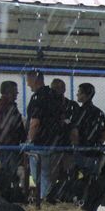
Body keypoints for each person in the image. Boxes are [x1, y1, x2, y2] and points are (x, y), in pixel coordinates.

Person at [26, 70, 67, 199]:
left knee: (41, 177)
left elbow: (35, 123)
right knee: (50, 177)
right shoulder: (55, 96)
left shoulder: (38, 97)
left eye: (28, 80)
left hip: (40, 145)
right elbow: (62, 119)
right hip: (55, 145)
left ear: (35, 80)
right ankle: (50, 199)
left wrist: (29, 141)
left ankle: (44, 202)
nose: (27, 84)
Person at [0, 81, 26, 187]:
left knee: (9, 172)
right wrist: (22, 137)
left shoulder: (2, 106)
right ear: (8, 92)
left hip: (6, 145)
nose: (17, 94)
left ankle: (10, 192)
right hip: (9, 146)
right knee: (11, 173)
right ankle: (13, 194)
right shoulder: (7, 107)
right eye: (15, 91)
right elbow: (11, 127)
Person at [70, 83, 105, 177]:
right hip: (96, 153)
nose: (77, 94)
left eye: (79, 92)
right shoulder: (99, 113)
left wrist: (76, 148)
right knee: (93, 179)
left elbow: (75, 132)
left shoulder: (79, 112)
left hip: (81, 152)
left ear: (85, 95)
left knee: (78, 180)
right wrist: (96, 143)